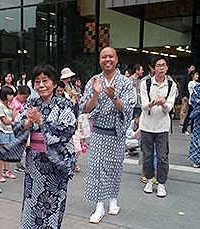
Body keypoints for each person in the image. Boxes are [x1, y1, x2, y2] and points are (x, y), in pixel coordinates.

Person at [12, 64, 76, 228]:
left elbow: (68, 130)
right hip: (35, 163)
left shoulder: (64, 105)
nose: (41, 85)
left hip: (56, 164)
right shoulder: (31, 103)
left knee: (53, 204)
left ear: (55, 83)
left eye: (45, 80)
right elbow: (17, 126)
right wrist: (28, 121)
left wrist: (41, 122)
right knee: (30, 203)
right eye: (37, 81)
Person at [79, 47, 135, 224]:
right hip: (99, 132)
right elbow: (86, 108)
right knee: (96, 169)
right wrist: (96, 93)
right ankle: (99, 205)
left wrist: (114, 97)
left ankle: (113, 200)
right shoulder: (94, 80)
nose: (107, 59)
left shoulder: (125, 82)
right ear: (100, 60)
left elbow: (127, 108)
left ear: (117, 59)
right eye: (104, 57)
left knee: (114, 168)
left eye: (111, 56)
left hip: (116, 133)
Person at [140, 55, 178, 197]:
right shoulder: (146, 83)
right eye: (158, 65)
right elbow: (144, 105)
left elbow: (169, 108)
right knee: (147, 156)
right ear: (153, 68)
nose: (161, 68)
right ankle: (149, 180)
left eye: (163, 65)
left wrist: (162, 103)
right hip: (147, 126)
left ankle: (161, 184)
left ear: (167, 67)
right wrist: (153, 102)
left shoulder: (171, 84)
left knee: (162, 157)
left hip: (162, 127)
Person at [0, 86, 17, 182]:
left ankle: (6, 171)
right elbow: (5, 121)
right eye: (9, 94)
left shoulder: (9, 105)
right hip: (2, 131)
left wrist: (12, 109)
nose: (12, 97)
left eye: (12, 94)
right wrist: (13, 122)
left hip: (9, 130)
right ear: (4, 95)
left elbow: (14, 118)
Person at [12, 85, 31, 174]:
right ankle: (18, 164)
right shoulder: (13, 103)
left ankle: (19, 164)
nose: (24, 99)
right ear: (19, 94)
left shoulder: (23, 103)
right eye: (24, 97)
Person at [182, 70, 199, 135]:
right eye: (196, 74)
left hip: (196, 102)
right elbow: (197, 90)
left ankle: (192, 129)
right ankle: (184, 129)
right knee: (189, 116)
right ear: (192, 76)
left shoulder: (197, 83)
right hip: (192, 102)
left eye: (197, 74)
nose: (197, 76)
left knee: (194, 117)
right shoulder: (191, 83)